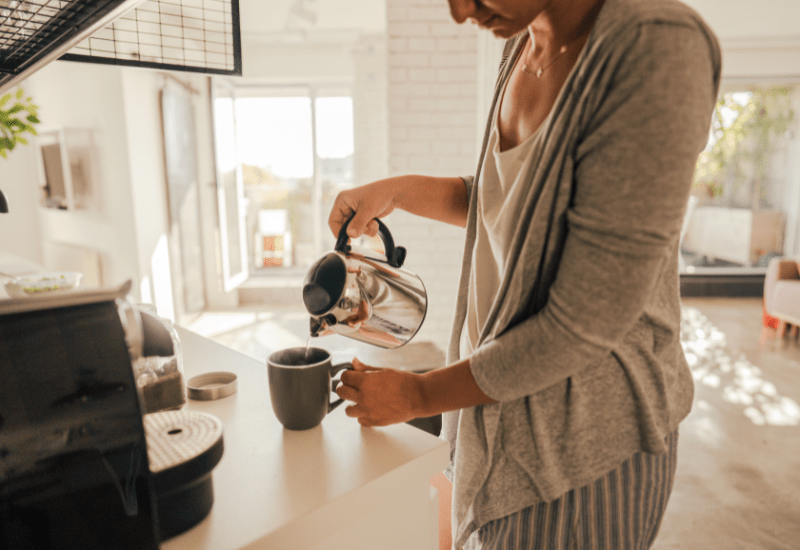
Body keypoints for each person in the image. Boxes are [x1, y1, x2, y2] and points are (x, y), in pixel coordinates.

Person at [330, 0, 721, 547]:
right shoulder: (521, 42)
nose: (460, 10)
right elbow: (511, 201)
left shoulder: (655, 46)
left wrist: (419, 397)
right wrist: (395, 191)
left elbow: (580, 326)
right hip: (498, 412)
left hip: (582, 447)